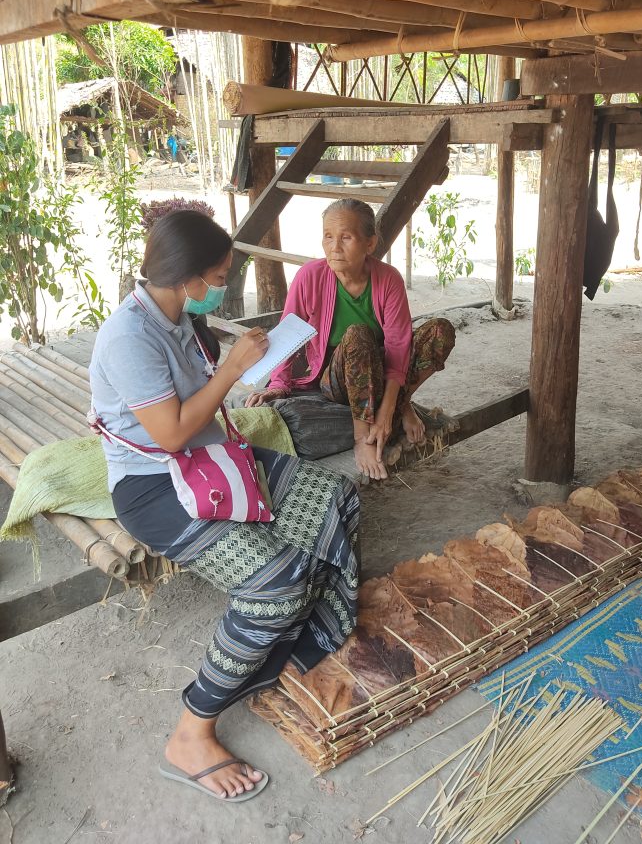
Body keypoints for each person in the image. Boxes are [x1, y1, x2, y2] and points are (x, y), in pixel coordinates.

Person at [89, 211, 359, 801]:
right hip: (158, 487)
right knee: (278, 584)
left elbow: (202, 406)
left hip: (215, 464)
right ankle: (191, 732)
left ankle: (291, 648)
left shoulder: (179, 316)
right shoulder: (128, 337)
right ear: (184, 278)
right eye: (216, 277)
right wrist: (233, 369)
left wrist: (244, 365)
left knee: (336, 496)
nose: (221, 288)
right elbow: (171, 435)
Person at [246, 199, 455, 481]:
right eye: (328, 237)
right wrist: (279, 385)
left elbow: (398, 348)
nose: (334, 246)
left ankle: (401, 405)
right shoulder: (310, 277)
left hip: (380, 372)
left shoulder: (388, 279)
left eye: (346, 237)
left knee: (440, 330)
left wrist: (391, 409)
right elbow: (289, 334)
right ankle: (362, 438)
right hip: (337, 379)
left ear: (369, 244)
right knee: (357, 334)